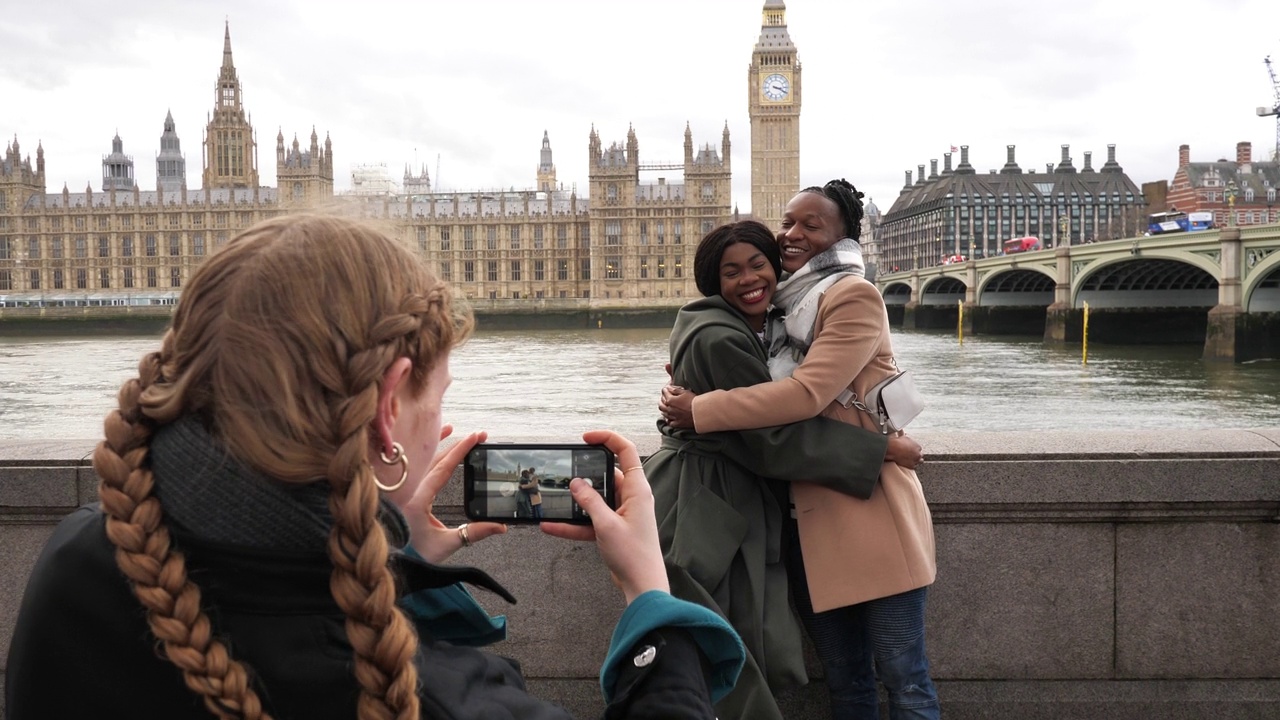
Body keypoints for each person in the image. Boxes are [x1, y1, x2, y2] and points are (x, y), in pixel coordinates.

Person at [6, 214, 744, 719]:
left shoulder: (79, 557)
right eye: (439, 395)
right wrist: (652, 600)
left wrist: (393, 565)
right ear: (388, 406)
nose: (442, 424)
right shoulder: (445, 697)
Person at [662, 182, 940, 720]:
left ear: (842, 236)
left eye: (811, 226)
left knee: (905, 681)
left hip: (872, 513)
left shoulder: (852, 296)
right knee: (847, 684)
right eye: (788, 222)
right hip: (807, 523)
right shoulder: (778, 312)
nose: (792, 234)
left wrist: (701, 408)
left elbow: (806, 393)